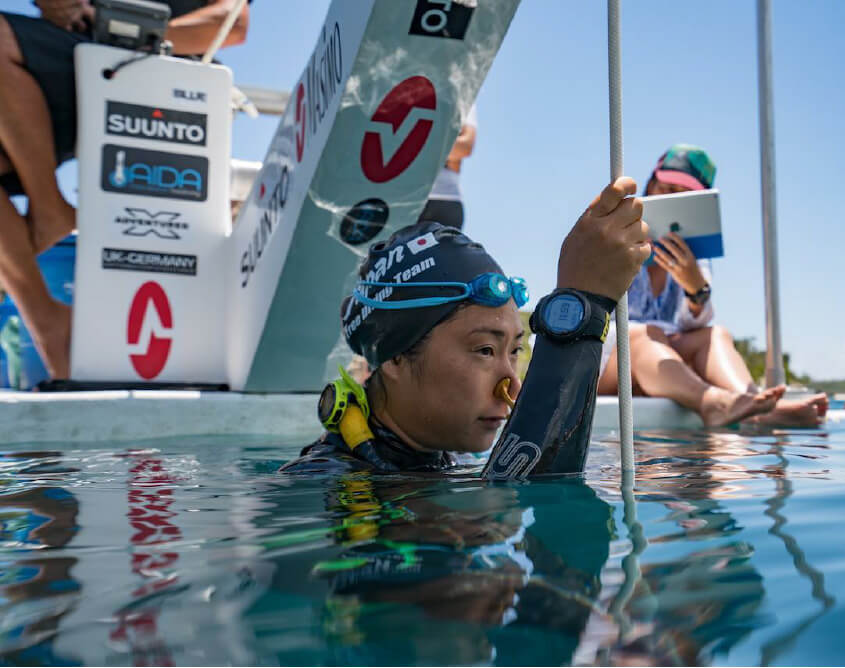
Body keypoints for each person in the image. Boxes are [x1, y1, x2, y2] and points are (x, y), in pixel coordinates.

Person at [281, 177, 650, 477]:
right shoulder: (322, 493)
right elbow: (536, 498)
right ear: (394, 355)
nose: (512, 385)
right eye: (485, 350)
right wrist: (582, 306)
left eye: (514, 351)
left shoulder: (441, 464)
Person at [0, 0, 250, 379]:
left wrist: (125, 31)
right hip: (69, 69)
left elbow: (231, 24)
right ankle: (47, 321)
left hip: (163, 70)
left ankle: (50, 210)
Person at [597, 144, 828, 427]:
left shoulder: (697, 257)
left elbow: (694, 325)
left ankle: (751, 402)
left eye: (681, 195)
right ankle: (713, 404)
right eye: (664, 188)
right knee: (646, 334)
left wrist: (695, 289)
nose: (669, 197)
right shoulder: (616, 238)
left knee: (716, 334)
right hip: (606, 363)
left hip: (663, 365)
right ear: (651, 184)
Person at [417, 104, 476, 230]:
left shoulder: (462, 95)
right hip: (392, 198)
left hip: (443, 201)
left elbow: (464, 148)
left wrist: (409, 143)